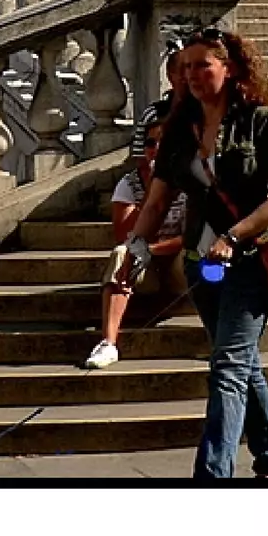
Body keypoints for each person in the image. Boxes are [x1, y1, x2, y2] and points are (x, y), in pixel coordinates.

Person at [122, 28, 268, 479]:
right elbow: (158, 199)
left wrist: (234, 236)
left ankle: (212, 475)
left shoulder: (260, 120)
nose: (193, 76)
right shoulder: (180, 128)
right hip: (201, 265)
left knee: (227, 367)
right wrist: (136, 245)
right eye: (186, 68)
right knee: (238, 359)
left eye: (203, 65)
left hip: (251, 260)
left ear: (230, 67)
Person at [80, 110, 189, 371]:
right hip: (144, 268)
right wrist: (150, 196)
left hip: (178, 265)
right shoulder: (129, 184)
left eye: (163, 142)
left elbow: (192, 236)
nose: (156, 148)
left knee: (201, 255)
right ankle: (108, 342)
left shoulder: (190, 181)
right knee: (120, 253)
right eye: (150, 143)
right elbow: (126, 237)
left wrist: (153, 248)